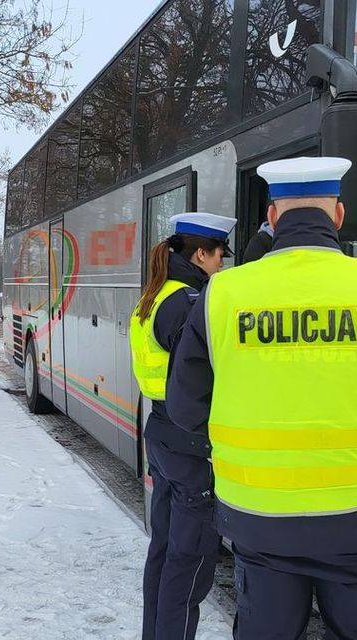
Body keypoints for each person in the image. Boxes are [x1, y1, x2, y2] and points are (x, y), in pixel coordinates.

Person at [166, 157, 357, 639]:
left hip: (260, 520)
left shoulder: (221, 295)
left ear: (273, 218)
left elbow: (184, 409)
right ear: (339, 216)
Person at [132, 212, 237, 640]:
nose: (222, 266)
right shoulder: (187, 303)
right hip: (190, 443)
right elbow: (203, 376)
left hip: (162, 434)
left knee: (163, 552)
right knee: (190, 561)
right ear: (200, 254)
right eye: (218, 257)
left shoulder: (158, 292)